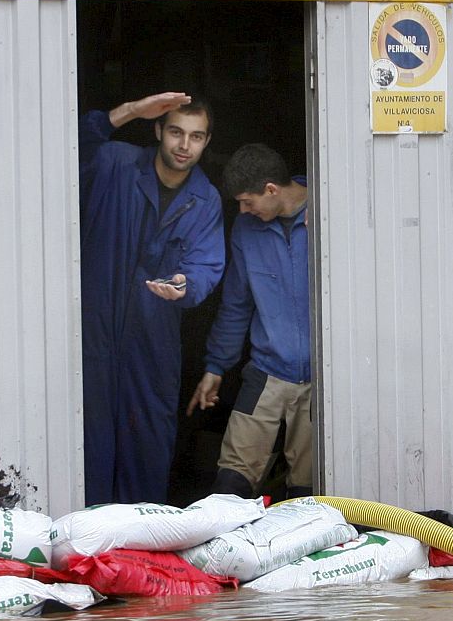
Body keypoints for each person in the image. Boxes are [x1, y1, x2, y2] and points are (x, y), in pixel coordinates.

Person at [79, 92, 225, 506]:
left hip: (152, 345)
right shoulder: (115, 164)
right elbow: (67, 148)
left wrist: (185, 285)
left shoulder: (205, 200)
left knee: (146, 450)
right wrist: (128, 112)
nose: (184, 145)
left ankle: (140, 540)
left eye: (196, 136)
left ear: (206, 141)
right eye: (176, 132)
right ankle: (85, 535)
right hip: (94, 336)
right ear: (158, 130)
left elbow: (206, 264)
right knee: (88, 446)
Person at [186, 143, 312, 500]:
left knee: (308, 491)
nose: (242, 210)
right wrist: (216, 366)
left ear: (271, 189)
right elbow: (236, 304)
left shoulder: (330, 206)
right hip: (267, 371)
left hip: (322, 380)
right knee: (231, 482)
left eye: (247, 201)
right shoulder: (245, 229)